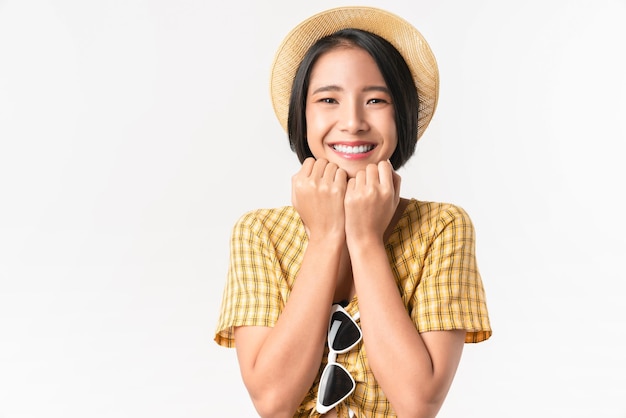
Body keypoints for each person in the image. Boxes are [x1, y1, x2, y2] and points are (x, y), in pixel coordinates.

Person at [214, 6, 492, 418]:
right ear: (301, 115)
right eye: (328, 99)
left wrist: (365, 240)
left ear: (402, 115)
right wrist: (327, 238)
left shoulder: (442, 228)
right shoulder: (260, 233)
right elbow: (272, 402)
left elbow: (418, 403)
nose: (353, 122)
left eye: (376, 99)